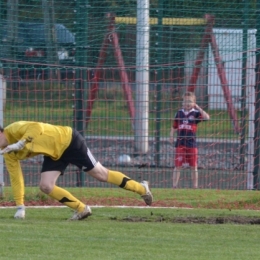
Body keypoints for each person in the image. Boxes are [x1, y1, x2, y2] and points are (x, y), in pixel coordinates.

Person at [0, 121, 153, 220]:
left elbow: (37, 127)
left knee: (101, 174)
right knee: (46, 186)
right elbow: (16, 177)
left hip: (68, 140)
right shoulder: (6, 151)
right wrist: (20, 206)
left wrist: (21, 143)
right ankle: (81, 209)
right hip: (54, 154)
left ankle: (141, 188)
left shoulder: (14, 129)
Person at [169, 91, 210, 189]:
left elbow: (207, 118)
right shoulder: (179, 113)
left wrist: (198, 108)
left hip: (191, 144)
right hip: (180, 143)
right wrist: (171, 135)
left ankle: (195, 187)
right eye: (185, 101)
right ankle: (174, 186)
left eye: (190, 101)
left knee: (193, 166)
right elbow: (174, 126)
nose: (187, 103)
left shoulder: (196, 113)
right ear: (182, 102)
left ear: (194, 103)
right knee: (177, 166)